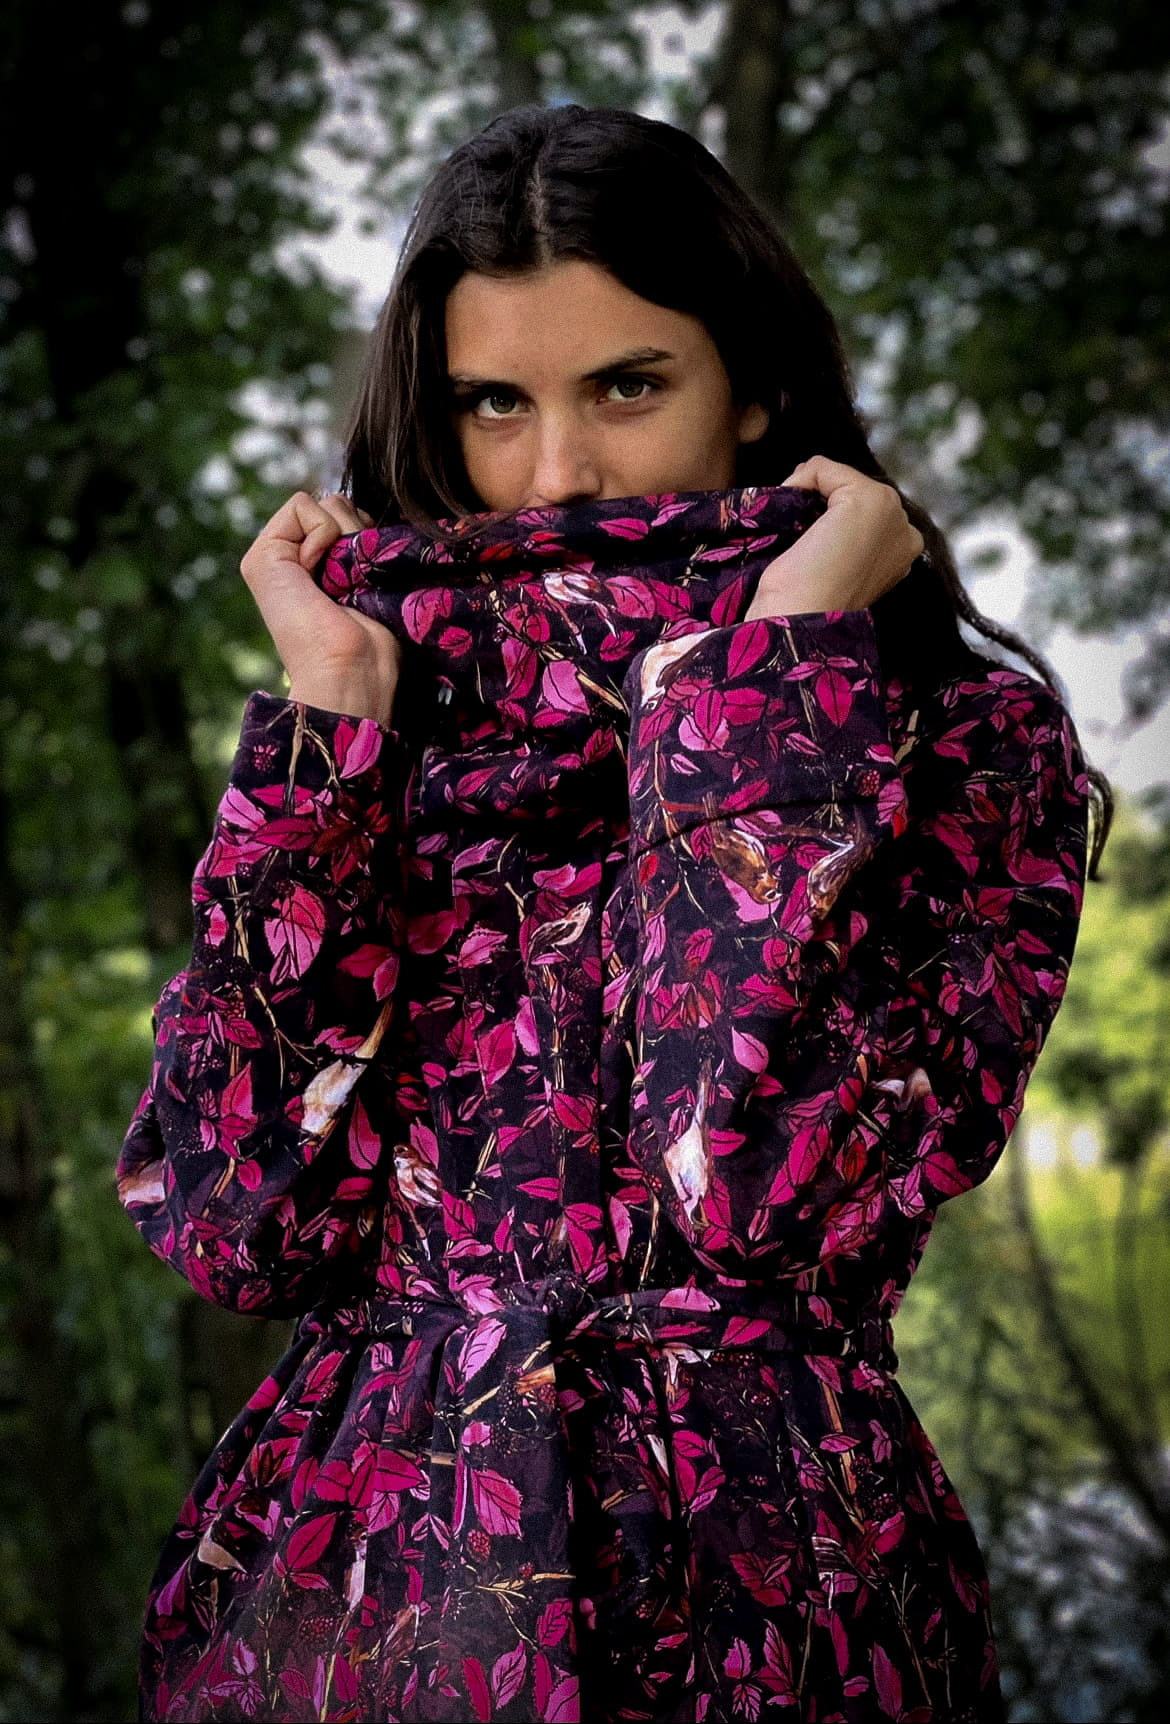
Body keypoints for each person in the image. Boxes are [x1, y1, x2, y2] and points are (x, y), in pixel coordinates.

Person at [116, 104, 1100, 1723]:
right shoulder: (376, 721)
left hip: (775, 1599)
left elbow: (763, 1196)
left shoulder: (956, 742)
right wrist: (329, 733)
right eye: (493, 404)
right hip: (360, 1596)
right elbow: (234, 1223)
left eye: (627, 387)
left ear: (753, 389)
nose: (558, 471)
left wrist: (766, 689)